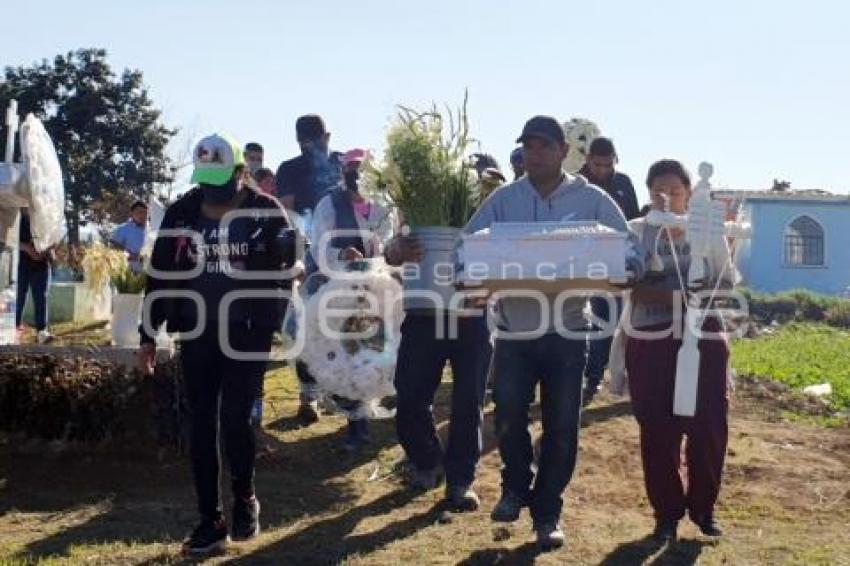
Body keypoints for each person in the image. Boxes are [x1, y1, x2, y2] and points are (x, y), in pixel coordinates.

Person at [460, 116, 644, 551]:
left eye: (544, 146)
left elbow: (631, 250)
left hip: (568, 330)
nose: (534, 153)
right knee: (507, 416)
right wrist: (470, 282)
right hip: (515, 333)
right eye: (527, 146)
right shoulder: (503, 200)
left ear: (564, 151)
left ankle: (548, 512)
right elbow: (466, 248)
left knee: (562, 426)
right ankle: (513, 488)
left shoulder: (593, 200)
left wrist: (625, 273)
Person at [138, 133, 298, 556]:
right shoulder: (182, 212)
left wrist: (277, 319)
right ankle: (211, 519)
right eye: (205, 179)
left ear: (237, 172)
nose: (212, 189)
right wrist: (147, 333)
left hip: (247, 331)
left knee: (235, 419)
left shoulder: (265, 210)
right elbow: (159, 274)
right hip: (197, 330)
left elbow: (286, 271)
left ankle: (244, 497)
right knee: (201, 424)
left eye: (220, 178)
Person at [625, 159, 732, 542]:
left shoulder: (708, 229)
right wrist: (682, 296)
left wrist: (685, 298)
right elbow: (632, 288)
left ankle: (704, 508)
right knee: (657, 427)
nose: (666, 198)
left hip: (705, 334)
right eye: (658, 192)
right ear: (648, 194)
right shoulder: (636, 232)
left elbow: (727, 283)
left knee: (709, 424)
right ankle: (666, 513)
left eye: (675, 191)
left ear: (688, 195)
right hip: (651, 336)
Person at [384, 210, 493, 512]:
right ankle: (426, 460)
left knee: (468, 402)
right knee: (409, 396)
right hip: (423, 315)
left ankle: (461, 481)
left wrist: (492, 285)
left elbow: (503, 254)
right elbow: (390, 249)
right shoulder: (412, 205)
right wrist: (395, 249)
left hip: (470, 318)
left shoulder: (489, 207)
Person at [307, 147, 395, 451]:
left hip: (379, 290)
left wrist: (383, 257)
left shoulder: (383, 207)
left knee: (378, 349)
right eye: (352, 170)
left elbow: (391, 245)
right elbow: (318, 247)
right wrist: (341, 254)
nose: (357, 176)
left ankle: (374, 406)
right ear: (343, 173)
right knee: (351, 353)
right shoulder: (328, 205)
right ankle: (357, 422)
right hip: (342, 292)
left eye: (363, 170)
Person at [275, 114, 343, 422]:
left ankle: (340, 392)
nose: (310, 147)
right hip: (307, 258)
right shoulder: (289, 169)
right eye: (305, 142)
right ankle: (310, 396)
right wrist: (299, 255)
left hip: (343, 257)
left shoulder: (342, 166)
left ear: (327, 137)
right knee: (303, 327)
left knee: (342, 327)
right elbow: (289, 215)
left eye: (314, 140)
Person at [578, 137, 641, 405]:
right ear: (588, 160)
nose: (602, 169)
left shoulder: (624, 183)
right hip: (583, 261)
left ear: (616, 159)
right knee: (593, 321)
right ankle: (590, 378)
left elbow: (634, 220)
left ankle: (617, 378)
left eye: (608, 164)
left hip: (615, 263)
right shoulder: (578, 183)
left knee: (616, 320)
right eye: (597, 164)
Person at [16, 210, 53, 344]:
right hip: (20, 263)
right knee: (18, 297)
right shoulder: (15, 217)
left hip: (41, 263)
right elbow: (8, 239)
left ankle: (42, 331)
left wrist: (44, 250)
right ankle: (15, 328)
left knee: (41, 298)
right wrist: (26, 248)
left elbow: (54, 238)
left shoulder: (46, 217)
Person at [110, 200, 148, 272]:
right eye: (140, 212)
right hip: (127, 271)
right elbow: (113, 247)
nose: (143, 215)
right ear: (132, 213)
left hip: (147, 272)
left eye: (145, 213)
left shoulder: (151, 230)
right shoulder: (122, 229)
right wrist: (129, 255)